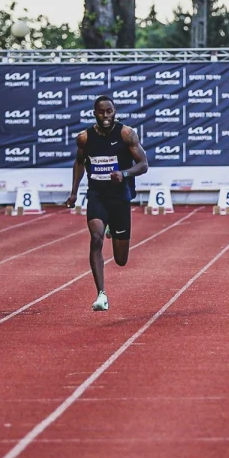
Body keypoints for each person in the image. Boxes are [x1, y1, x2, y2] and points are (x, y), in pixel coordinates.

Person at [64, 96, 149, 311]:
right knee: (95, 237)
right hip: (97, 194)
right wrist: (74, 193)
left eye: (109, 111)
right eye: (101, 112)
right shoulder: (85, 138)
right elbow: (79, 162)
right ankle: (101, 294)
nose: (105, 116)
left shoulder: (126, 134)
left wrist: (124, 173)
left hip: (120, 196)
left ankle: (112, 226)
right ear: (94, 113)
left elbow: (143, 164)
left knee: (121, 260)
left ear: (115, 111)